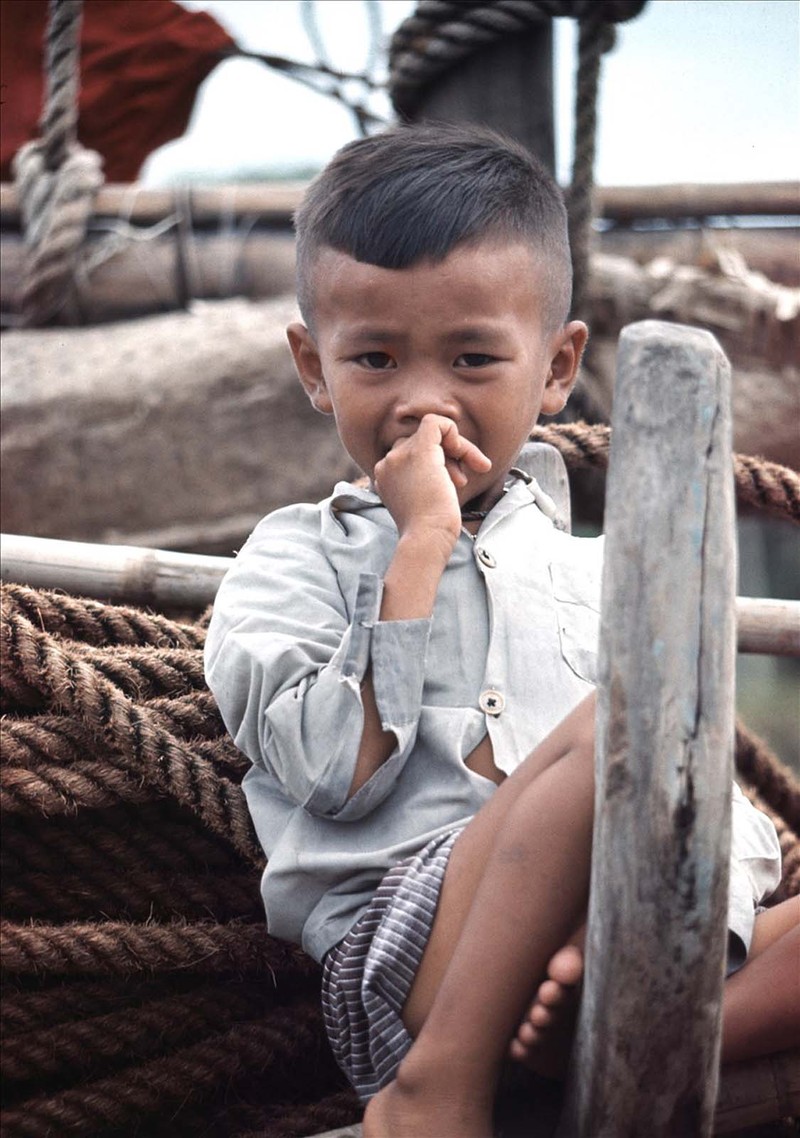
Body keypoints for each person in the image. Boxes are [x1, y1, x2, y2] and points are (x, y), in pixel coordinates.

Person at [204, 123, 797, 1138]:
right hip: (412, 957)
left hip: (621, 932)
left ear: (558, 366)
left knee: (661, 755)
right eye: (375, 358)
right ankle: (435, 1085)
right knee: (627, 728)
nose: (422, 400)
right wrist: (419, 548)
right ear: (314, 366)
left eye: (473, 357)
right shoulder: (288, 560)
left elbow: (699, 796)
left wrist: (714, 910)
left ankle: (615, 1026)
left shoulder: (610, 570)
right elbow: (330, 773)